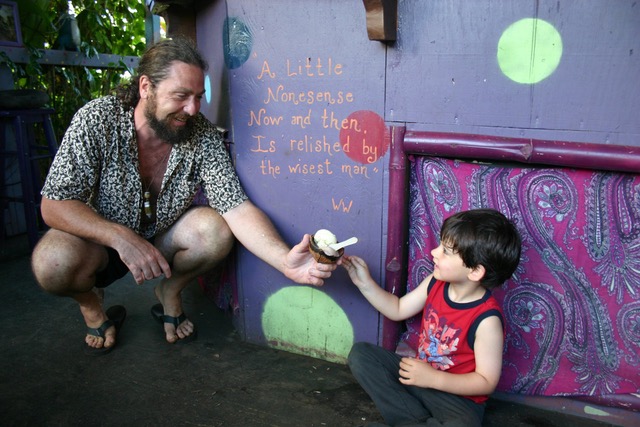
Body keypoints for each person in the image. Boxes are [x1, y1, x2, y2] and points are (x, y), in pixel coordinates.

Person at [31, 37, 336, 355]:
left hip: (161, 240)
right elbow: (55, 204)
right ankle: (91, 304)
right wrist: (119, 236)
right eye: (181, 96)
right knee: (51, 263)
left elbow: (235, 206)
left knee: (215, 230)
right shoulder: (97, 119)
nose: (191, 109)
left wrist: (284, 261)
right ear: (146, 86)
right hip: (102, 244)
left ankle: (170, 290)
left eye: (198, 97)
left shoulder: (200, 133)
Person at [342, 208, 521, 426]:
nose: (434, 252)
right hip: (418, 378)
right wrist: (365, 284)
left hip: (457, 400)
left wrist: (434, 378)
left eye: (446, 251)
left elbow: (485, 382)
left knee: (463, 424)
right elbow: (397, 308)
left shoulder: (487, 320)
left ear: (475, 271)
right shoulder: (435, 283)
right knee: (362, 355)